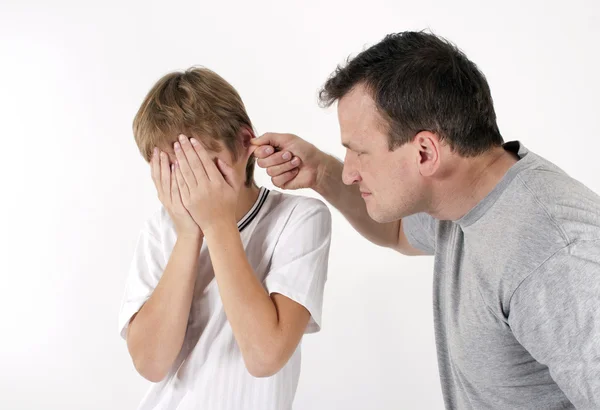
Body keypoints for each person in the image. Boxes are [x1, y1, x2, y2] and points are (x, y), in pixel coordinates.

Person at [252, 31, 600, 409]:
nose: (350, 173)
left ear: (424, 153)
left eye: (359, 153)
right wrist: (320, 172)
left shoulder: (554, 258)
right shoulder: (464, 198)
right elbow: (397, 230)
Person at [118, 67, 331, 410]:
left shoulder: (300, 218)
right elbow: (150, 364)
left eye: (203, 163)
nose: (193, 181)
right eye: (175, 168)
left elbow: (266, 356)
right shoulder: (160, 230)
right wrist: (189, 234)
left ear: (244, 143)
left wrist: (217, 224)